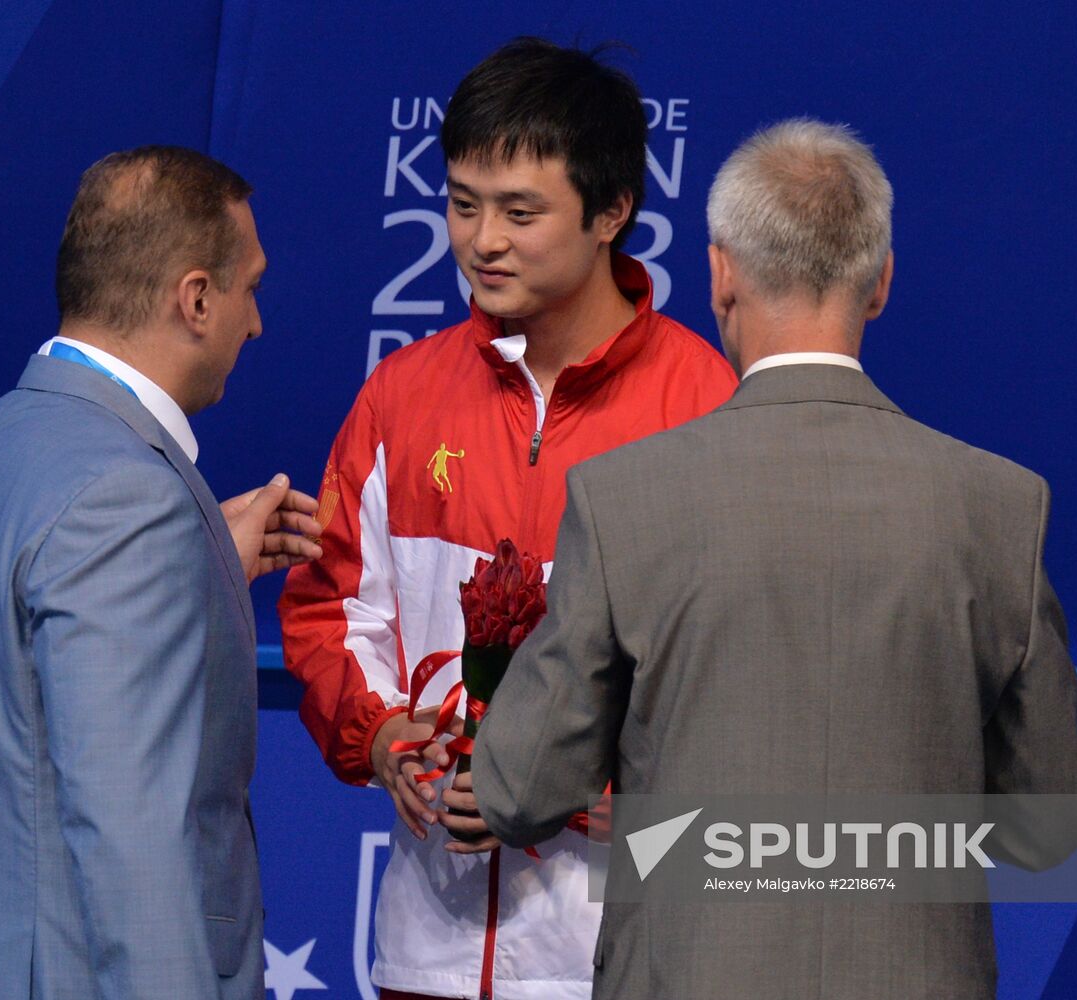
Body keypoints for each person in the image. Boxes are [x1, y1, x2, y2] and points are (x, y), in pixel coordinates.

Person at [472, 119, 1077, 998]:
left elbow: (520, 787)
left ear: (720, 275)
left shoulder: (625, 499)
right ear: (879, 284)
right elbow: (1052, 827)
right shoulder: (1000, 507)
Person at [278, 38, 737, 1000]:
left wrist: (652, 796)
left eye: (521, 211)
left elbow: (749, 666)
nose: (481, 239)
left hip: (624, 955)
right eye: (461, 202)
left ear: (612, 212)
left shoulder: (704, 403)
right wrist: (383, 740)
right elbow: (331, 613)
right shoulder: (402, 395)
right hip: (428, 952)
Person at [0, 145, 322, 1000]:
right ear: (196, 299)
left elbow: (25, 714)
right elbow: (133, 842)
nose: (257, 323)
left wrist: (201, 572)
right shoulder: (129, 498)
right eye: (251, 289)